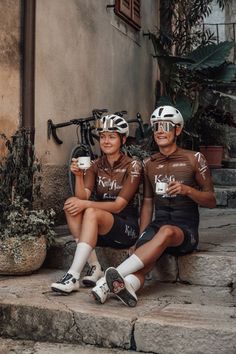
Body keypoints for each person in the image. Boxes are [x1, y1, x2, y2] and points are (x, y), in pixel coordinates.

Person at [91, 105, 216, 307]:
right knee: (144, 261)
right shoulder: (149, 163)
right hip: (157, 226)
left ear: (177, 130)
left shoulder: (194, 159)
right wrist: (141, 237)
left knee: (166, 231)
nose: (159, 130)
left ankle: (107, 281)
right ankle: (129, 286)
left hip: (184, 229)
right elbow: (148, 203)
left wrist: (187, 190)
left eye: (165, 125)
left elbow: (211, 200)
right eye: (156, 126)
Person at [51, 114, 142, 294]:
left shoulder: (133, 166)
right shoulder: (95, 165)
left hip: (125, 229)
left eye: (112, 136)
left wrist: (87, 206)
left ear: (123, 139)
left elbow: (118, 206)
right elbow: (82, 196)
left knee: (90, 210)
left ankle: (73, 275)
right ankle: (94, 266)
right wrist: (78, 175)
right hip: (99, 227)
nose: (106, 141)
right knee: (71, 203)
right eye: (102, 136)